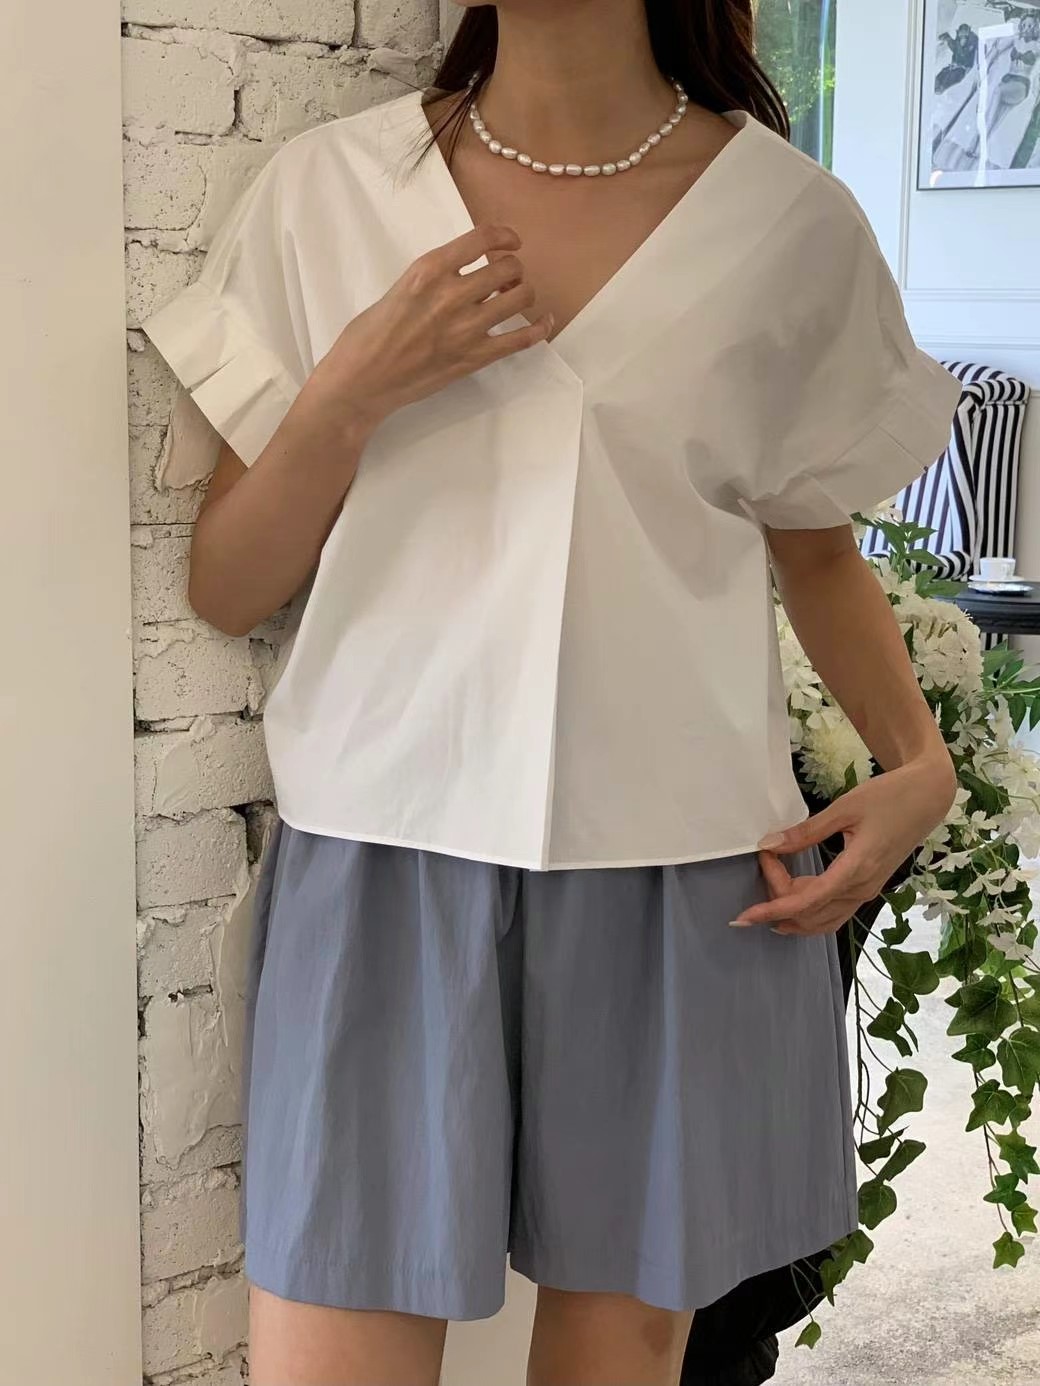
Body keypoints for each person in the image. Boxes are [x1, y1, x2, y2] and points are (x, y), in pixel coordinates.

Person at [140, 1, 963, 1382]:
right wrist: (348, 393)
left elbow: (817, 549)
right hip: (384, 865)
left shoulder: (790, 223)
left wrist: (919, 763)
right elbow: (227, 584)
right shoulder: (330, 194)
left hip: (682, 879)